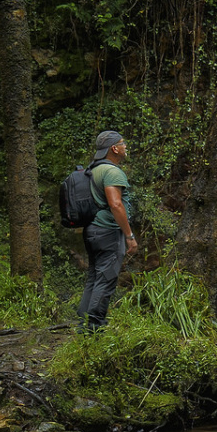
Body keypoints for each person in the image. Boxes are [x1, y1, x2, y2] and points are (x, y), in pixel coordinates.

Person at [79, 130, 137, 331]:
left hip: (92, 231)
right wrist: (129, 236)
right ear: (114, 148)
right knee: (105, 280)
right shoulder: (112, 172)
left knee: (94, 278)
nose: (125, 146)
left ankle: (83, 324)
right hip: (108, 232)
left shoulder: (92, 169)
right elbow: (116, 204)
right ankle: (94, 328)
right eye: (123, 143)